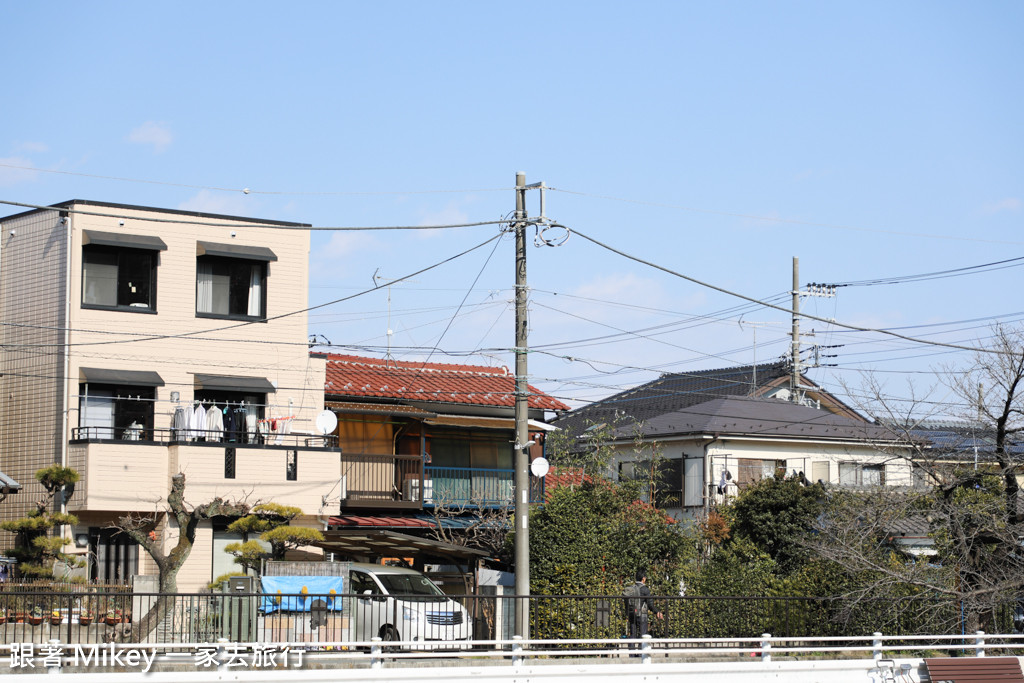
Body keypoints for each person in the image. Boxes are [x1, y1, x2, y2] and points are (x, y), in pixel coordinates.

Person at [624, 569, 662, 648]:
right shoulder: (645, 589)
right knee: (643, 634)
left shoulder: (631, 588)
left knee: (632, 634)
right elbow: (650, 604)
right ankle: (641, 654)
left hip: (631, 614)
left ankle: (632, 655)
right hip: (641, 615)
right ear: (643, 578)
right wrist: (657, 611)